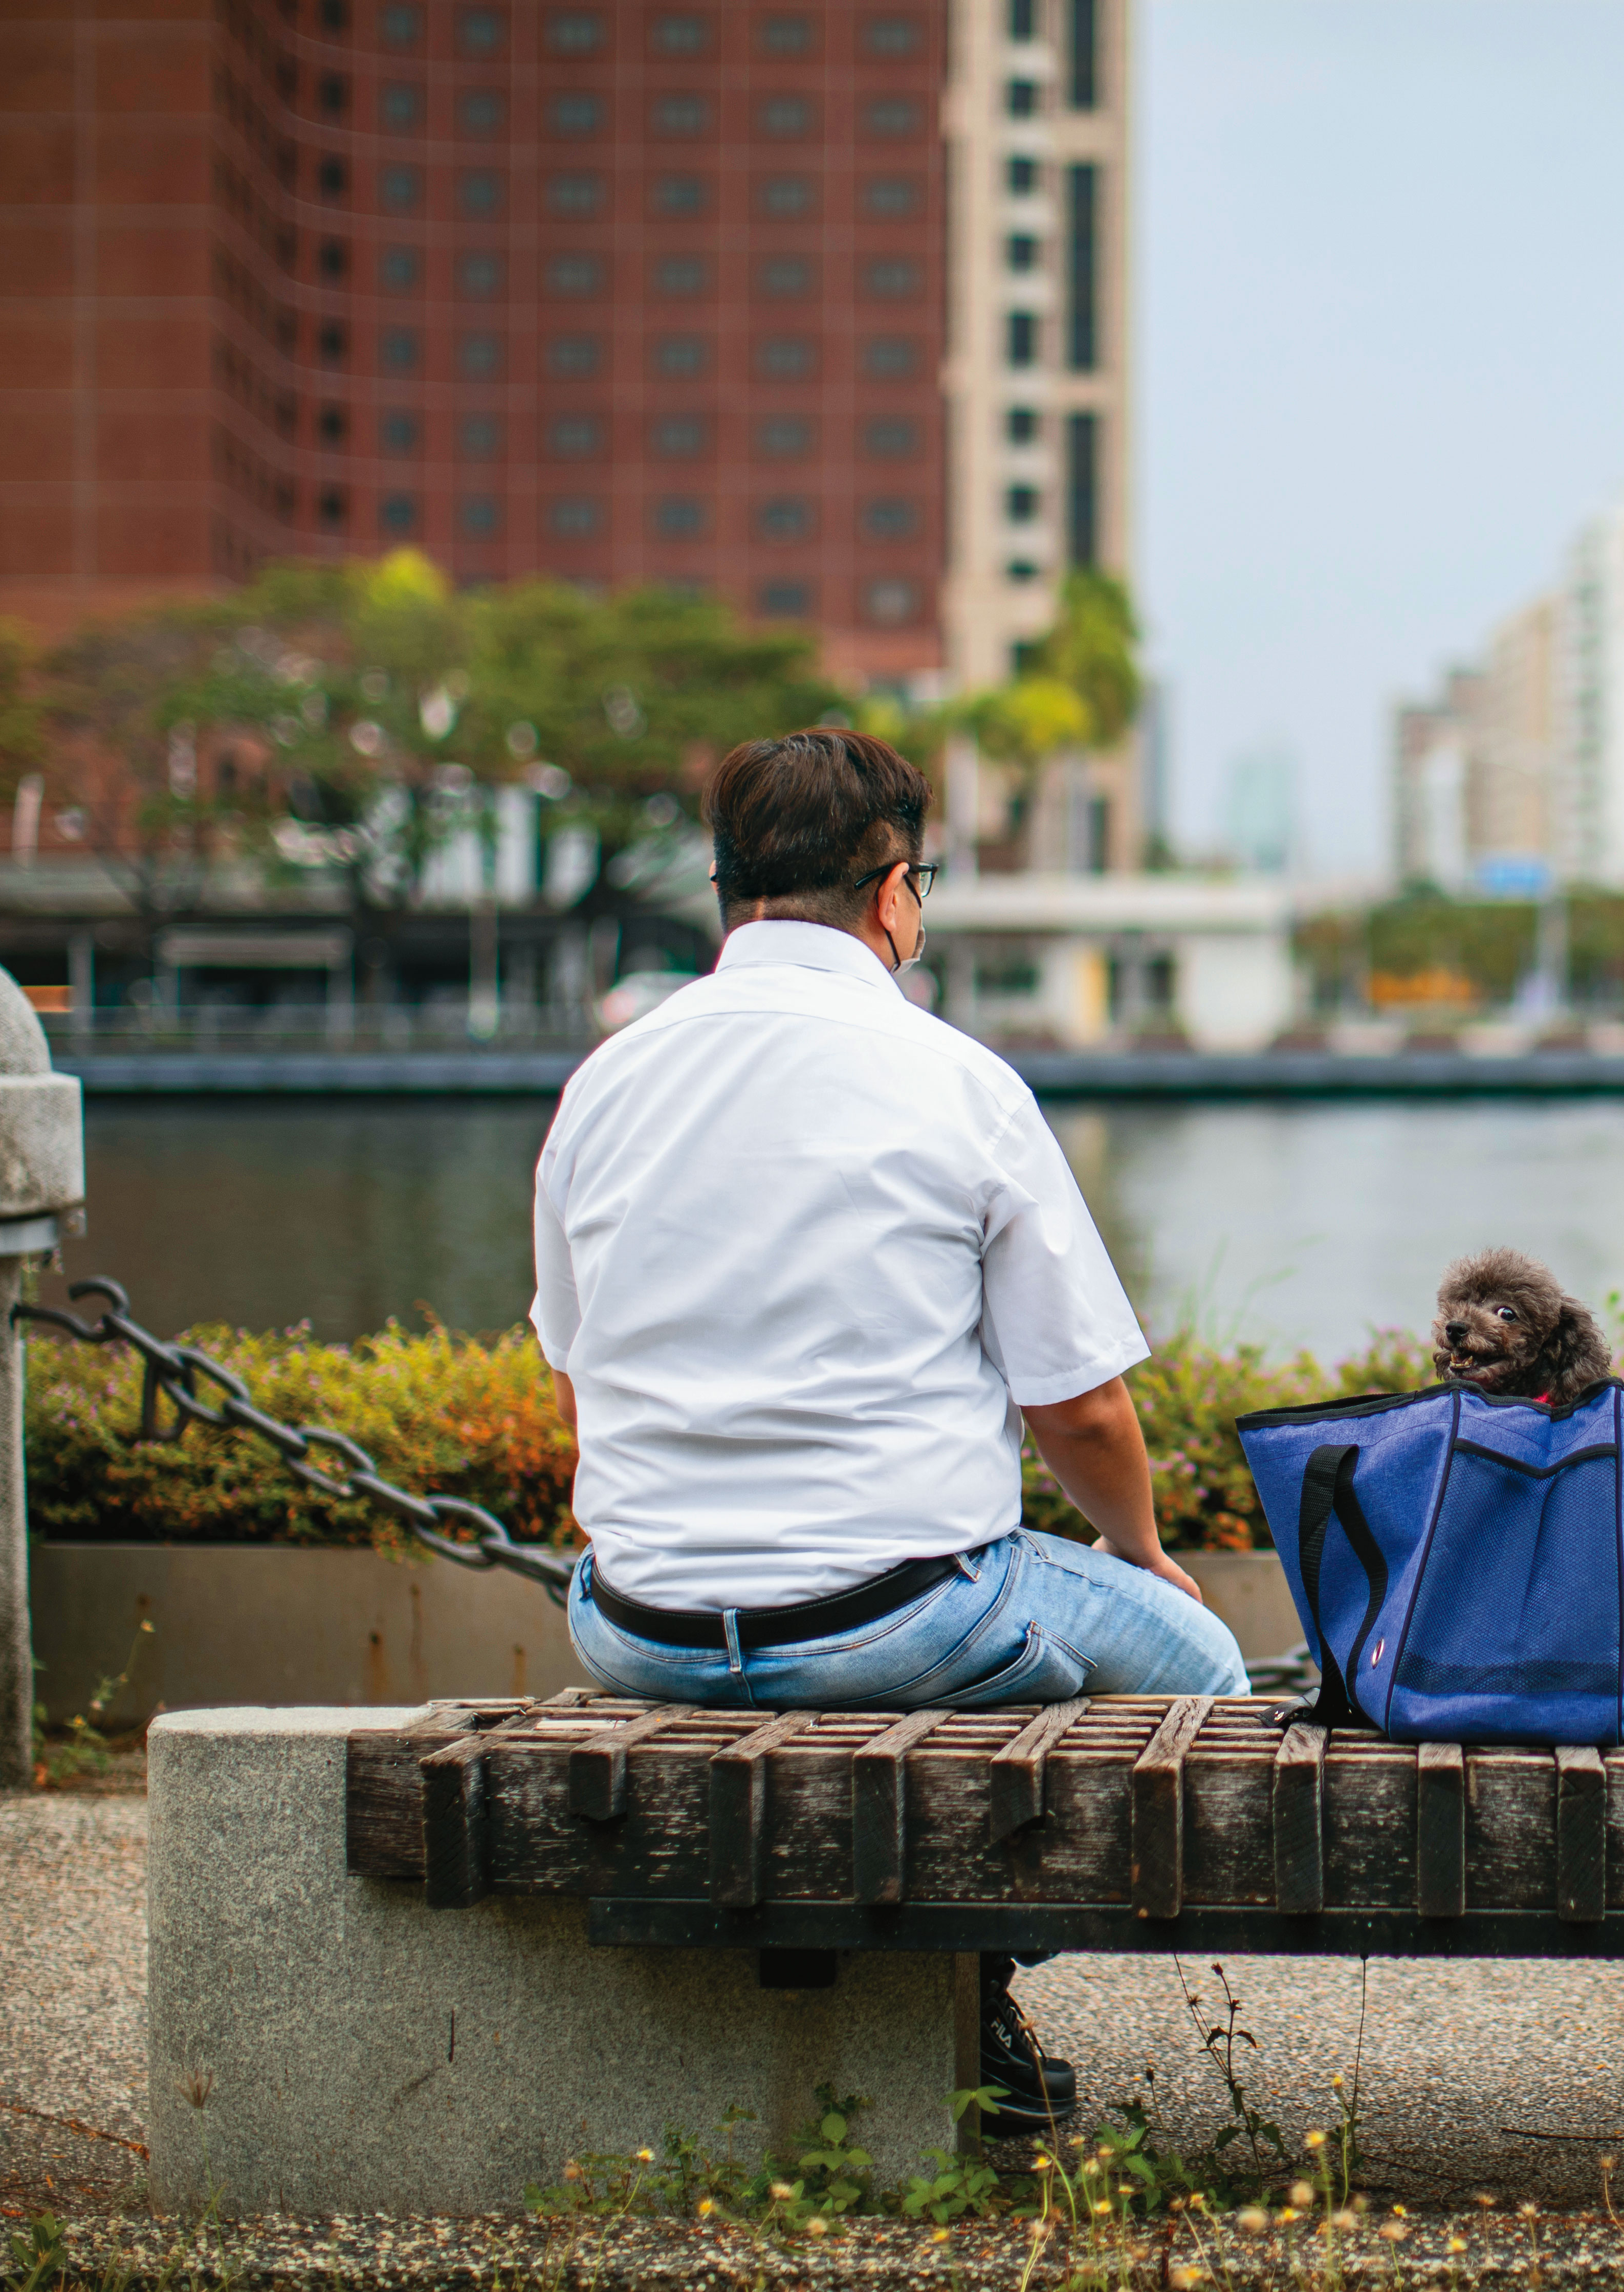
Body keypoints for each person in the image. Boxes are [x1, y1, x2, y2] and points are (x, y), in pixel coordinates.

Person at [531, 725, 1249, 2129]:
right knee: (1208, 1677)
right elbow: (1082, 1409)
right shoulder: (953, 1079)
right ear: (894, 895)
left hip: (639, 1618)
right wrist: (1144, 1556)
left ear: (730, 892)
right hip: (893, 1614)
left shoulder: (605, 1082)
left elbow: (575, 1368)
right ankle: (966, 1972)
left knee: (1013, 1626)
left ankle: (941, 1984)